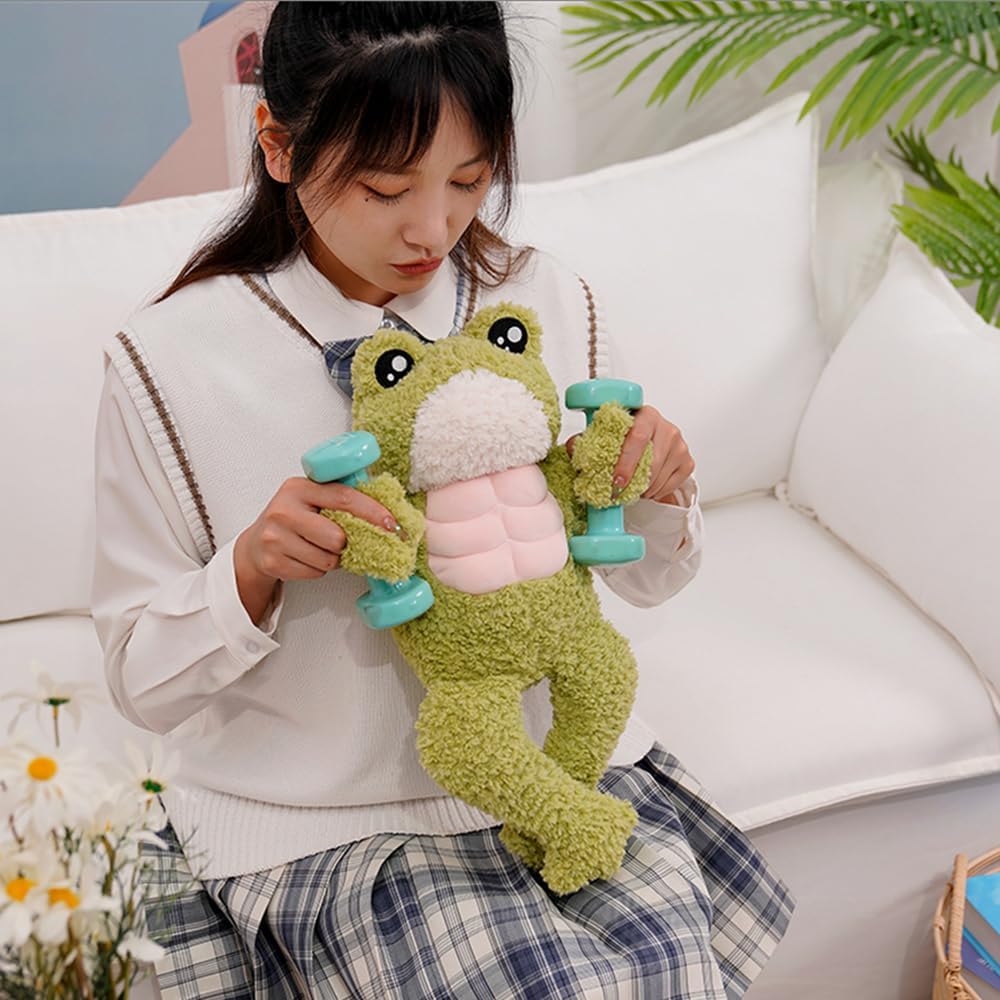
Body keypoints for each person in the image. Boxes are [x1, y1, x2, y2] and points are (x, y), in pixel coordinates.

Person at [90, 3, 794, 997]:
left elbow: (645, 581)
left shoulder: (544, 299)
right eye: (386, 188)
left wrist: (660, 482)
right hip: (324, 827)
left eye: (469, 180)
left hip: (557, 777)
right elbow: (139, 678)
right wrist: (250, 568)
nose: (433, 229)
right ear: (278, 145)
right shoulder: (166, 363)